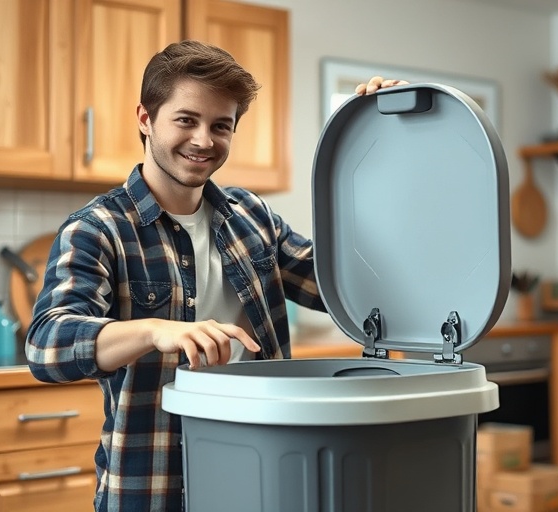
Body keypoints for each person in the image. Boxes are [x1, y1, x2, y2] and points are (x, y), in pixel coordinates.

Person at [25, 39, 407, 511]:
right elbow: (47, 345)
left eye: (220, 125)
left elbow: (347, 286)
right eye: (186, 119)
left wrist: (382, 147)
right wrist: (155, 330)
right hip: (152, 486)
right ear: (145, 119)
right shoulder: (99, 228)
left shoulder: (251, 215)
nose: (204, 140)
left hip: (267, 469)